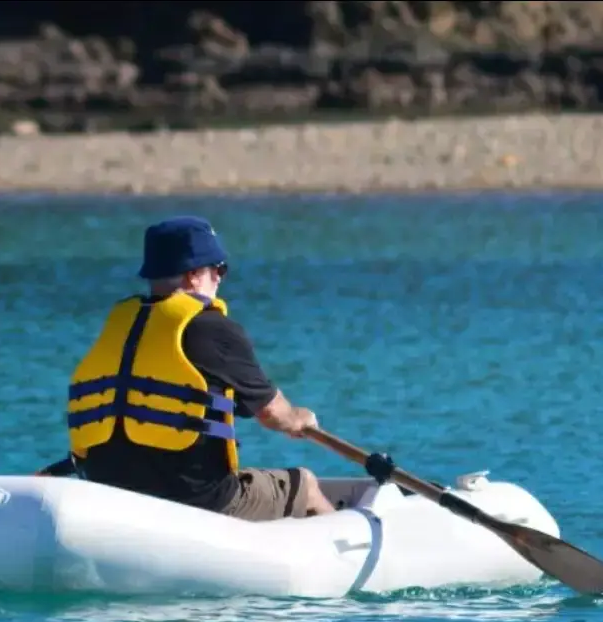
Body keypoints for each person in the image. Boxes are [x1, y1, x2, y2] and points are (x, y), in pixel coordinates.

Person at [65, 215, 395, 521]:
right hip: (195, 497)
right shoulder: (211, 328)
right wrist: (300, 418)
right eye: (218, 269)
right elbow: (274, 415)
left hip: (111, 489)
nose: (221, 279)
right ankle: (341, 567)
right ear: (194, 275)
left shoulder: (121, 328)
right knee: (305, 484)